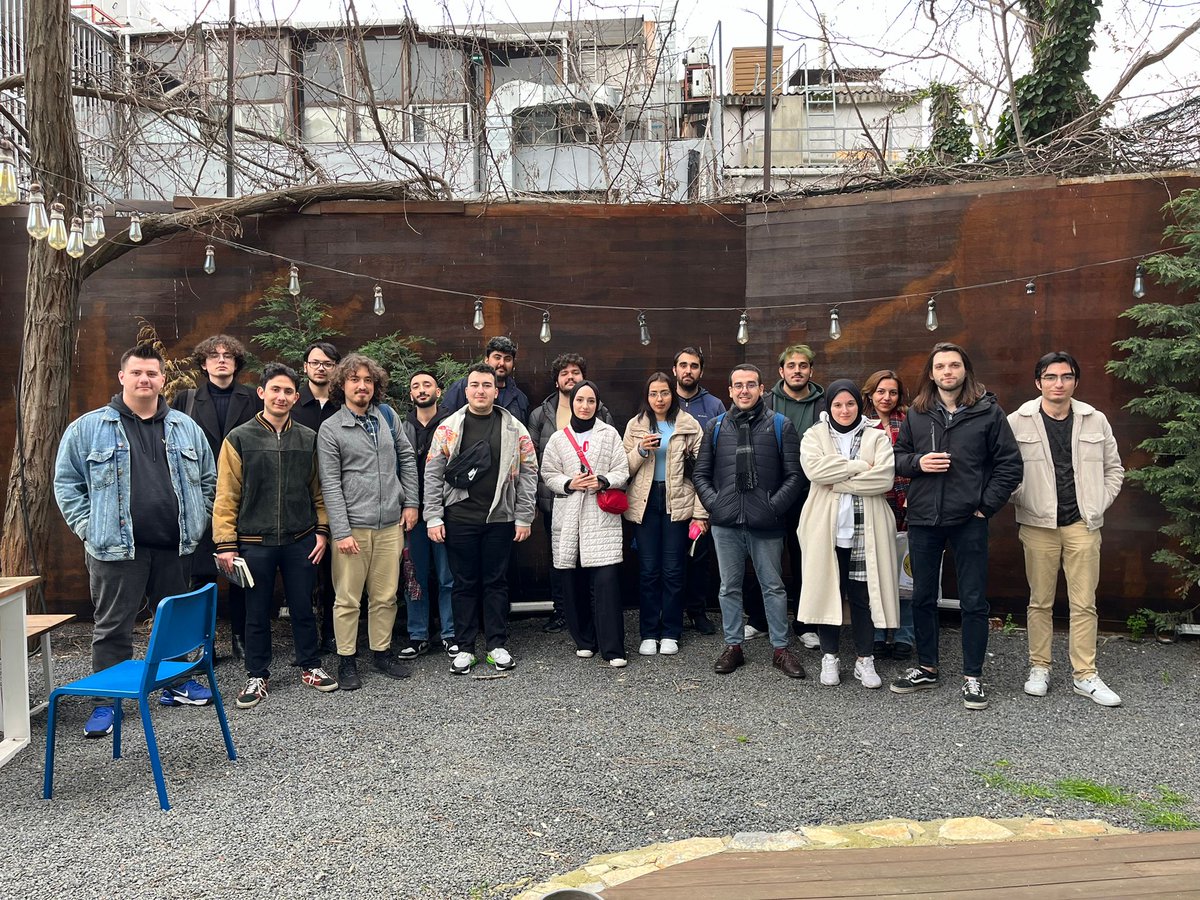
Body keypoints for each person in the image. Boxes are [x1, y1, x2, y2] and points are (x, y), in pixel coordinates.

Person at [54, 343, 217, 738]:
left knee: (173, 622)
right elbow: (67, 485)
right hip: (115, 551)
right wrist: (90, 528)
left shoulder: (185, 427)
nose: (145, 379)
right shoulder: (88, 428)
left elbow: (209, 481)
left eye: (152, 373)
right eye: (137, 372)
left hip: (174, 547)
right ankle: (107, 701)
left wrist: (198, 520)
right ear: (122, 377)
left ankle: (176, 685)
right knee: (113, 627)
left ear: (162, 379)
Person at [889, 342, 1023, 710]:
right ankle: (927, 668)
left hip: (968, 520)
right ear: (931, 374)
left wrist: (985, 506)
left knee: (974, 599)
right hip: (923, 518)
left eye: (954, 365)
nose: (947, 372)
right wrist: (918, 462)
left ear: (965, 370)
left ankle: (973, 676)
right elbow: (898, 457)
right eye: (940, 367)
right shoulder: (918, 414)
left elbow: (1010, 465)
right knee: (922, 596)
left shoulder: (988, 412)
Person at [213, 363, 338, 708]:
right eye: (275, 390)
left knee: (302, 607)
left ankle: (310, 665)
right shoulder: (239, 438)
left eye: (288, 392)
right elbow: (226, 495)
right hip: (254, 543)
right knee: (256, 612)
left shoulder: (308, 439)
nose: (281, 397)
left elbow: (319, 492)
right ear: (262, 393)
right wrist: (225, 543)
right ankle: (257, 675)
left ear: (296, 398)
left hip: (301, 539)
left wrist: (322, 532)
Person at [1009, 352, 1125, 707]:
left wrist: (1098, 503)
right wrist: (1023, 498)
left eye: (1066, 376)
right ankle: (1039, 667)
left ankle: (1085, 675)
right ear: (1038, 382)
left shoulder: (1095, 419)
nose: (1058, 383)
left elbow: (1114, 469)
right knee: (1039, 601)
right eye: (1050, 376)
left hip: (1082, 525)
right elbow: (1003, 470)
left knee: (1084, 603)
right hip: (1038, 525)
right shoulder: (1017, 421)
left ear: (1075, 381)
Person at [693, 364, 806, 679]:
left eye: (751, 384)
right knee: (729, 587)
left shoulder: (781, 425)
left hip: (766, 523)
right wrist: (716, 504)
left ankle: (781, 649)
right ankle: (734, 646)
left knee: (774, 587)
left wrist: (772, 507)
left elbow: (795, 475)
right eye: (738, 385)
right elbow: (700, 474)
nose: (744, 390)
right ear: (730, 391)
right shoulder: (715, 427)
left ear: (761, 389)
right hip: (726, 523)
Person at [425, 363, 539, 675]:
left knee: (496, 582)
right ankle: (464, 648)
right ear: (466, 390)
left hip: (500, 518)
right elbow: (433, 472)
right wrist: (433, 516)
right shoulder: (448, 427)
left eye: (486, 385)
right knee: (463, 583)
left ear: (495, 391)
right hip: (459, 518)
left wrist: (524, 516)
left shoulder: (514, 427)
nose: (480, 391)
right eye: (474, 385)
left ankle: (496, 645)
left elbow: (529, 472)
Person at [317, 353, 420, 690]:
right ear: (342, 385)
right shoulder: (331, 428)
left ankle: (381, 652)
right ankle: (347, 659)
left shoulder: (387, 417)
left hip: (390, 524)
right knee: (348, 599)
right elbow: (330, 483)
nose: (362, 386)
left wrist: (411, 503)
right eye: (354, 380)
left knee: (386, 596)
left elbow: (407, 458)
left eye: (367, 380)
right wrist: (341, 531)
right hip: (353, 529)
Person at [798, 380, 899, 690]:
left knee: (862, 598)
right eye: (838, 404)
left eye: (850, 404)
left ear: (859, 404)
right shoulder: (814, 435)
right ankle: (830, 656)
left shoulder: (876, 436)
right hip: (825, 531)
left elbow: (883, 479)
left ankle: (864, 659)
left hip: (865, 533)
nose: (844, 410)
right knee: (828, 592)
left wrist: (839, 481)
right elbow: (816, 472)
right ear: (829, 406)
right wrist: (859, 465)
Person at [171, 334, 261, 659]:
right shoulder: (186, 400)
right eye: (214, 355)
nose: (221, 360)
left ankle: (241, 638)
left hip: (243, 498)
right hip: (201, 499)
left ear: (237, 363)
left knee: (239, 572)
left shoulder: (253, 398)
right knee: (202, 577)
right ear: (204, 363)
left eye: (227, 355)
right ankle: (202, 643)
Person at [541, 381, 630, 667]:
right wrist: (569, 483)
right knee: (573, 581)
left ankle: (613, 647)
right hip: (569, 516)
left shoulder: (609, 434)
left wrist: (603, 480)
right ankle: (584, 640)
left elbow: (622, 470)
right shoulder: (558, 438)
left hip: (600, 516)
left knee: (606, 583)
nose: (585, 406)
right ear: (572, 403)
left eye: (591, 401)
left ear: (597, 404)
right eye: (580, 400)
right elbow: (548, 473)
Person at [527, 353, 614, 634]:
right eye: (564, 373)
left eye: (575, 372)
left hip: (593, 500)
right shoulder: (541, 414)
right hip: (555, 499)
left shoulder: (600, 411)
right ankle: (562, 612)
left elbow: (612, 453)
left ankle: (591, 614)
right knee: (560, 559)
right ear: (556, 381)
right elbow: (532, 459)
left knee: (591, 558)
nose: (570, 377)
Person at [623, 372, 707, 656]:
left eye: (664, 393)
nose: (659, 399)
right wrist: (640, 450)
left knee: (673, 570)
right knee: (648, 571)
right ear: (646, 397)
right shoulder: (635, 425)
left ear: (673, 394)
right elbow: (623, 469)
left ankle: (671, 630)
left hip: (677, 503)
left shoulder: (688, 424)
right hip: (645, 503)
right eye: (653, 393)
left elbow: (702, 472)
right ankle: (649, 632)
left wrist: (700, 514)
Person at [755, 343, 827, 650]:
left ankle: (805, 623)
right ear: (781, 371)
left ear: (811, 370)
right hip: (771, 493)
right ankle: (760, 619)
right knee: (765, 558)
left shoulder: (824, 404)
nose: (797, 371)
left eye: (803, 365)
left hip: (810, 494)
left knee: (805, 559)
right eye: (791, 366)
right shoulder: (766, 402)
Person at [397, 368, 458, 660]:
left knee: (448, 576)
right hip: (411, 513)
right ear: (411, 394)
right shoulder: (400, 427)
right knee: (414, 577)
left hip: (446, 512)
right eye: (416, 386)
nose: (422, 389)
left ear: (438, 392)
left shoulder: (452, 424)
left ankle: (450, 633)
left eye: (427, 385)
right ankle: (418, 634)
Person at [290, 340, 343, 653]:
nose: (321, 368)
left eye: (328, 363)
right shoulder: (293, 404)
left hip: (340, 499)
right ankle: (305, 640)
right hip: (300, 499)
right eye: (315, 362)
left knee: (336, 573)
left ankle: (333, 634)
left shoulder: (344, 404)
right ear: (306, 367)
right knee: (304, 571)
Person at [861, 369, 913, 661]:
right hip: (874, 503)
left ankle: (904, 633)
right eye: (880, 391)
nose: (886, 397)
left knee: (907, 571)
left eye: (892, 392)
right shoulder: (860, 423)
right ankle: (878, 632)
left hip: (907, 503)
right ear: (870, 394)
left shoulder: (910, 420)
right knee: (875, 571)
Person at [672, 346, 724, 635]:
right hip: (670, 496)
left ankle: (697, 611)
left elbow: (722, 449)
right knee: (671, 558)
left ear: (701, 371)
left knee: (699, 557)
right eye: (683, 365)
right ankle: (672, 612)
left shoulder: (714, 406)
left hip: (702, 495)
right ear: (675, 370)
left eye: (693, 366)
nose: (688, 370)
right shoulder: (663, 400)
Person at [441, 335, 530, 424]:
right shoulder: (461, 388)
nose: (502, 363)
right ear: (486, 360)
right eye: (497, 357)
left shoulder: (520, 398)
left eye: (507, 359)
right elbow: (446, 424)